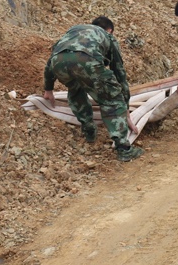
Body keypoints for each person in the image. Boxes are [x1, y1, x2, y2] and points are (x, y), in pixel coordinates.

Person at [43, 16, 142, 162]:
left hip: (58, 63)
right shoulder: (108, 36)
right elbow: (118, 71)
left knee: (75, 89)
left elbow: (52, 59)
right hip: (87, 60)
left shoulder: (74, 31)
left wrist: (48, 89)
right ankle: (124, 149)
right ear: (110, 30)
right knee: (112, 99)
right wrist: (124, 105)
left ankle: (88, 128)